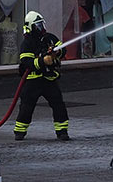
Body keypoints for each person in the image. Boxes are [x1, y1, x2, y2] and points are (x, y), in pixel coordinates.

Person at [13, 11, 71, 141]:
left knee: (58, 104)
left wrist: (57, 53)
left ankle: (62, 131)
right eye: (38, 25)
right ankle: (20, 131)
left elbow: (62, 49)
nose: (41, 28)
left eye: (41, 25)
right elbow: (26, 61)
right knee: (27, 107)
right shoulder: (27, 43)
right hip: (32, 80)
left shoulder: (49, 38)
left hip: (49, 78)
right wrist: (42, 61)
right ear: (30, 27)